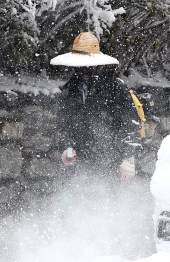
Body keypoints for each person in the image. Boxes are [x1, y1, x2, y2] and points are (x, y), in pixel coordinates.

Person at [51, 32, 147, 182]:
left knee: (110, 203)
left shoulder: (115, 88)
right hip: (80, 167)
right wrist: (66, 147)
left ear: (96, 64)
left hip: (111, 164)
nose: (83, 69)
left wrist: (128, 157)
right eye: (79, 65)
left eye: (86, 65)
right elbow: (64, 125)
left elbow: (130, 124)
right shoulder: (69, 90)